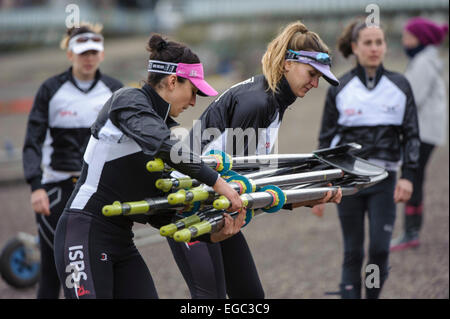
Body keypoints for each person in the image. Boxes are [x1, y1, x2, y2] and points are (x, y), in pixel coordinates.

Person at [53, 34, 246, 299]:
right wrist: (218, 183)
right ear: (172, 81)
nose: (193, 102)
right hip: (83, 232)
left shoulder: (164, 128)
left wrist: (213, 235)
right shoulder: (127, 101)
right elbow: (163, 144)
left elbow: (163, 213)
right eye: (193, 92)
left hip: (121, 240)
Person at [167, 21, 343, 299]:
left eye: (319, 77)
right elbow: (242, 184)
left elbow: (252, 180)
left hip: (217, 202)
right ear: (287, 64)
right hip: (189, 204)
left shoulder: (273, 101)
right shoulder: (257, 103)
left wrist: (305, 198)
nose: (315, 83)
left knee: (250, 296)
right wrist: (301, 199)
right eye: (311, 73)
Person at [313, 19, 420, 299]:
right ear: (355, 47)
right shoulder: (339, 87)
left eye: (379, 42)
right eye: (368, 43)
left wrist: (408, 176)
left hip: (385, 180)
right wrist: (318, 185)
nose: (374, 48)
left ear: (385, 46)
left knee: (380, 249)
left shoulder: (400, 85)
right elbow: (325, 141)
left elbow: (411, 135)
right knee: (353, 250)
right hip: (349, 180)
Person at [22, 22, 123, 299]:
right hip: (57, 191)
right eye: (82, 53)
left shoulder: (115, 90)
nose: (88, 58)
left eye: (93, 52)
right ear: (70, 54)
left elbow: (128, 145)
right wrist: (36, 186)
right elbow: (32, 142)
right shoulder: (50, 90)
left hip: (100, 191)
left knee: (97, 267)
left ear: (101, 54)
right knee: (54, 271)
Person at [390, 17, 448, 252]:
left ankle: (411, 232)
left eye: (408, 36)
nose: (404, 41)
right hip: (428, 130)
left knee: (412, 175)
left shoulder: (423, 63)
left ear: (420, 39)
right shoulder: (426, 59)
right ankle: (411, 230)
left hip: (422, 131)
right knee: (416, 176)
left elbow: (411, 98)